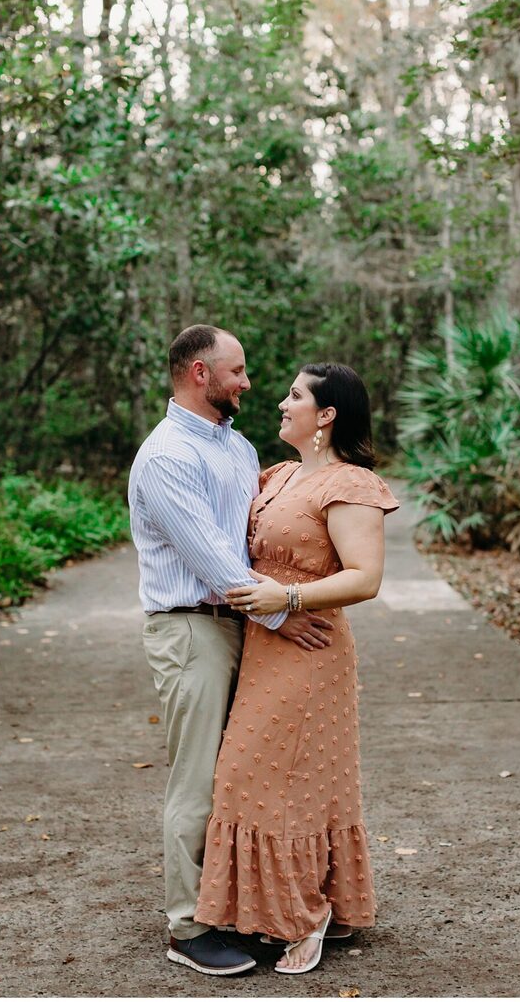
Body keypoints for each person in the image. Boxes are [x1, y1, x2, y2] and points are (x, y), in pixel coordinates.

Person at [128, 325, 336, 977]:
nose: (249, 383)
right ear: (199, 373)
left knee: (245, 775)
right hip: (193, 629)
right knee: (196, 777)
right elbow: (217, 563)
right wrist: (286, 614)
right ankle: (187, 926)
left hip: (243, 627)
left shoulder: (240, 447)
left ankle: (243, 906)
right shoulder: (166, 457)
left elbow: (262, 533)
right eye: (238, 371)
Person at [194, 362, 399, 974]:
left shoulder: (351, 483)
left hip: (310, 648)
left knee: (273, 780)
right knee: (262, 777)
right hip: (265, 646)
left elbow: (366, 578)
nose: (281, 403)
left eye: (294, 395)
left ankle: (304, 918)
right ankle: (314, 904)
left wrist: (288, 599)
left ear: (327, 413)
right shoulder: (278, 475)